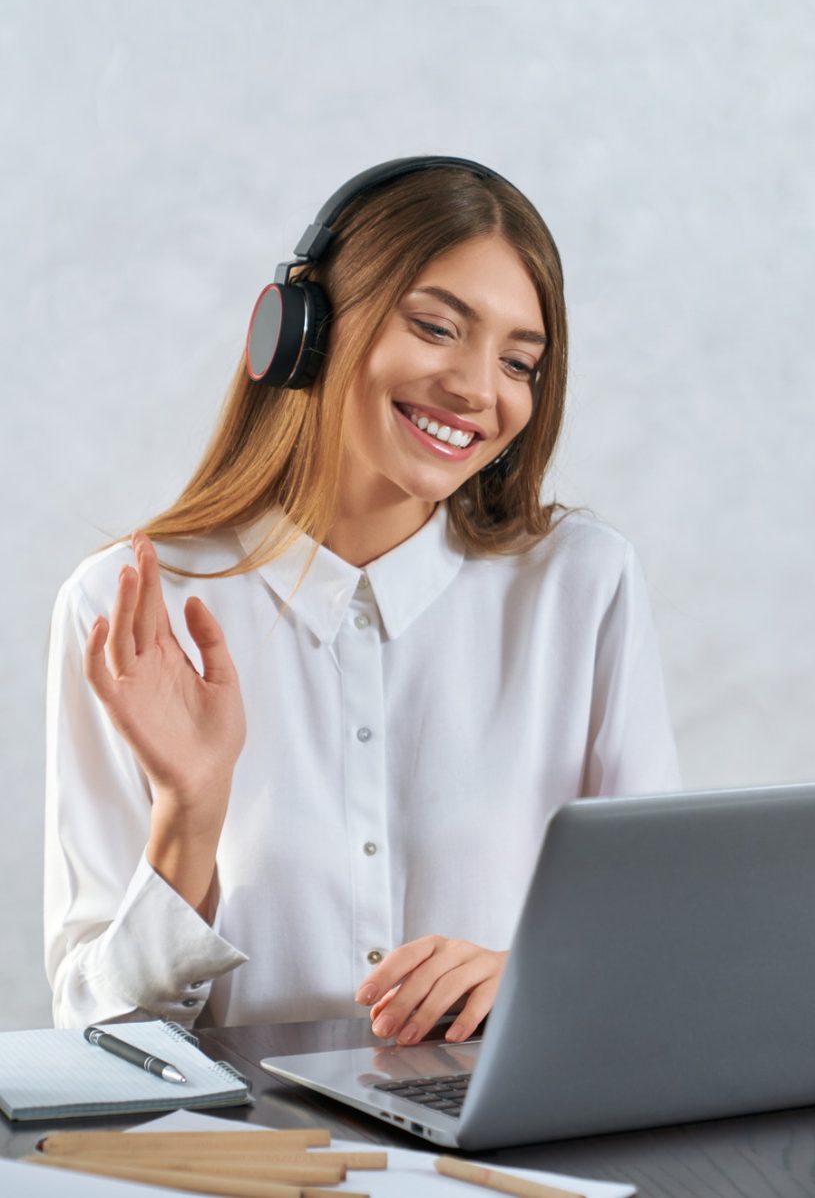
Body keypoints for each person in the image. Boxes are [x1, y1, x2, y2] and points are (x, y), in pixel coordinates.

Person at [44, 155, 680, 1040]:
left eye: (519, 361)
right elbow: (97, 1031)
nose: (476, 388)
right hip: (255, 1164)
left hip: (508, 1159)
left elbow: (660, 947)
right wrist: (190, 810)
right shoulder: (128, 608)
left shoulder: (583, 585)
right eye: (436, 326)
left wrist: (533, 977)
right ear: (306, 330)